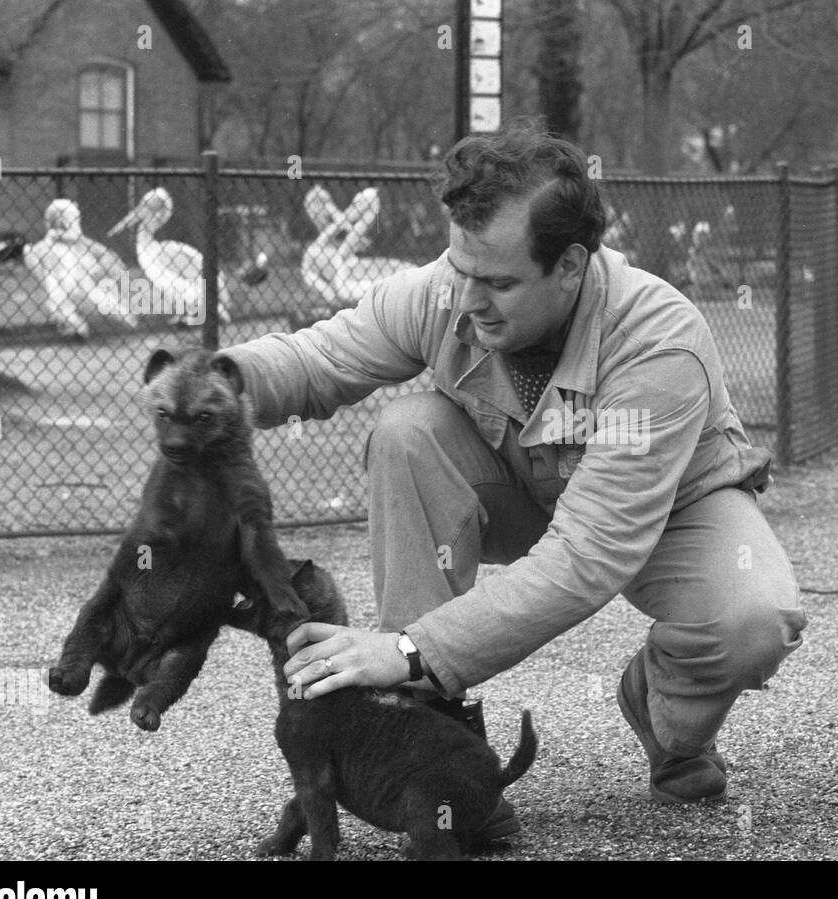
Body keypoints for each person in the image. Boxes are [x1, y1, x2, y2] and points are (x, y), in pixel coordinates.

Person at [219, 123, 806, 839]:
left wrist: (407, 650)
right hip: (523, 490)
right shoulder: (447, 291)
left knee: (753, 622)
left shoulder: (658, 342)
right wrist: (212, 384)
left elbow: (589, 552)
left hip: (667, 511)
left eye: (497, 282)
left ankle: (662, 707)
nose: (467, 299)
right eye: (460, 269)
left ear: (569, 265)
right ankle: (431, 729)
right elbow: (319, 359)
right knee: (406, 430)